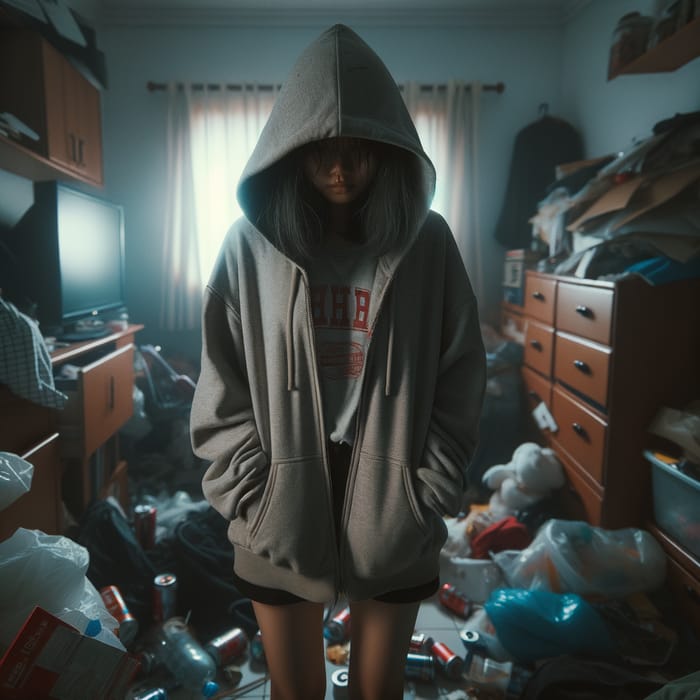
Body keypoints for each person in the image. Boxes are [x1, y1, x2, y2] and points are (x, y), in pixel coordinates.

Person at [190, 24, 486, 700]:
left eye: (360, 150)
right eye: (322, 150)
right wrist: (249, 495)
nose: (341, 168)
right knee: (298, 693)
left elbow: (462, 370)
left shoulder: (427, 243)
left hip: (396, 502)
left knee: (377, 693)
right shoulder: (248, 246)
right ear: (292, 151)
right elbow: (221, 381)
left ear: (389, 149)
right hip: (280, 504)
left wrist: (428, 490)